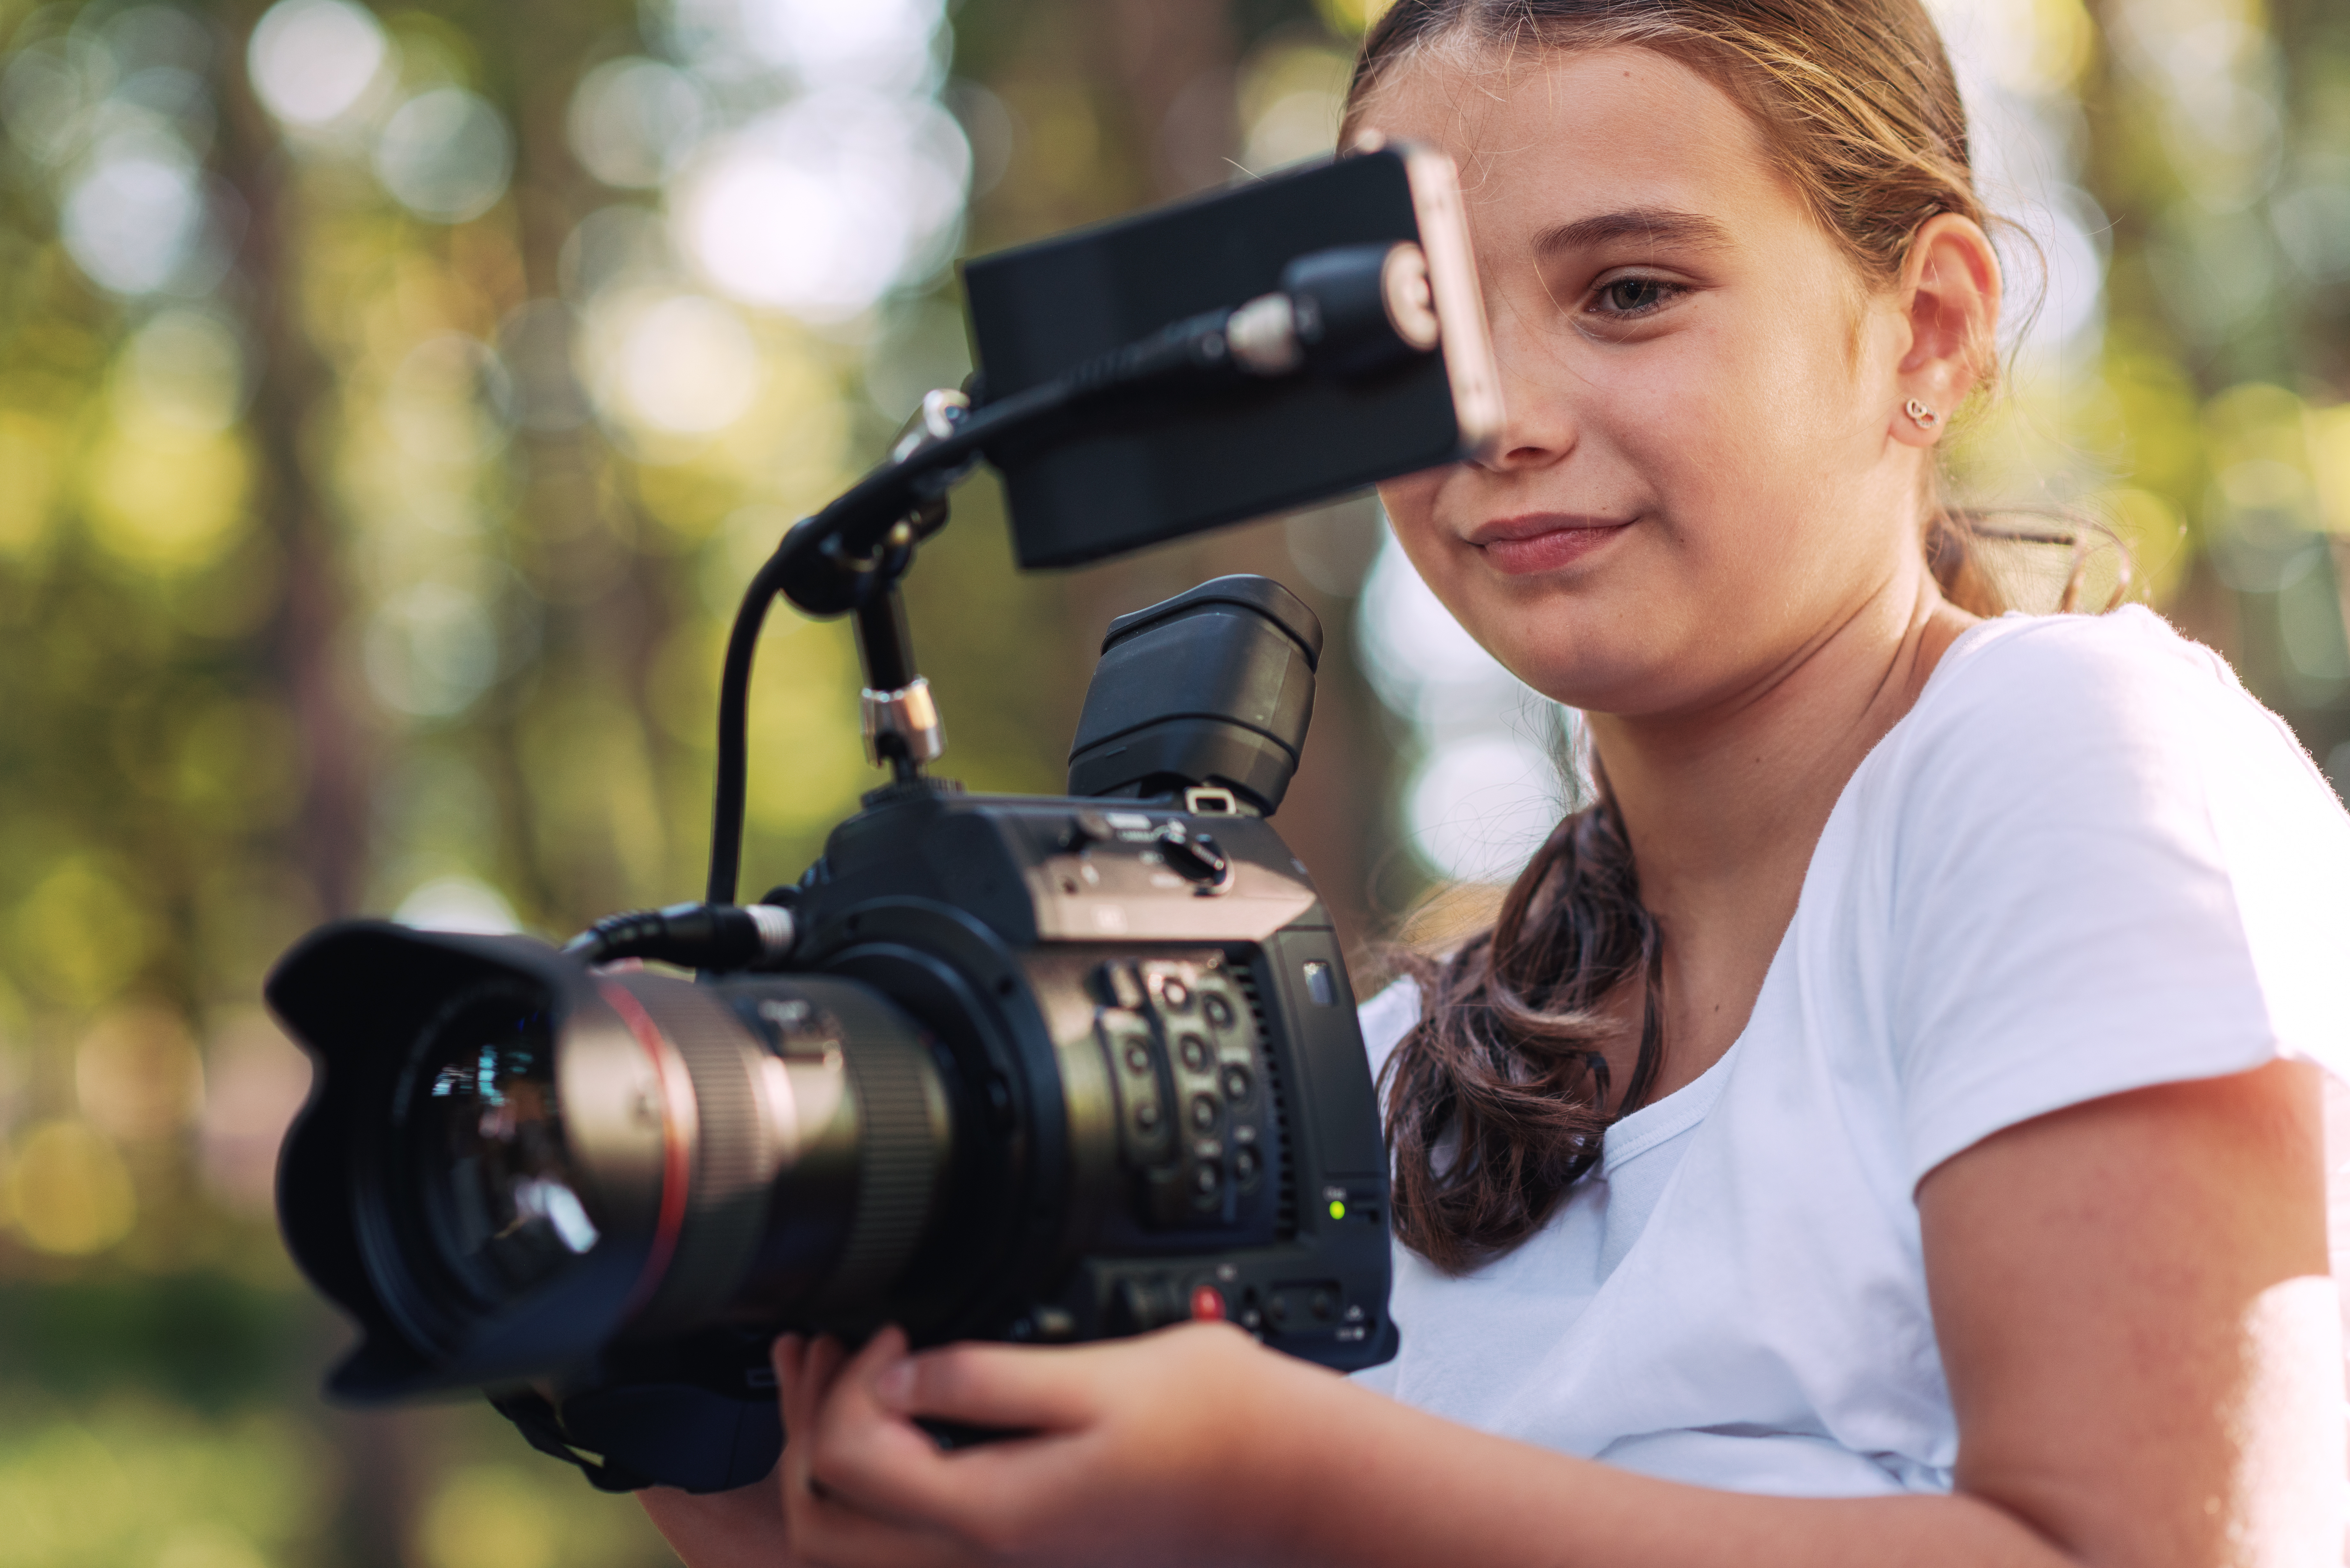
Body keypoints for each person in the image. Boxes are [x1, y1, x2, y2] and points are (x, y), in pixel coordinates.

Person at [641, 2, 2350, 1562]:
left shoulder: (2066, 756)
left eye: (1629, 292)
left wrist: (1288, 1478)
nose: (1503, 416)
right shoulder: (1389, 1074)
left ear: (1928, 329)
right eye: (1421, 327)